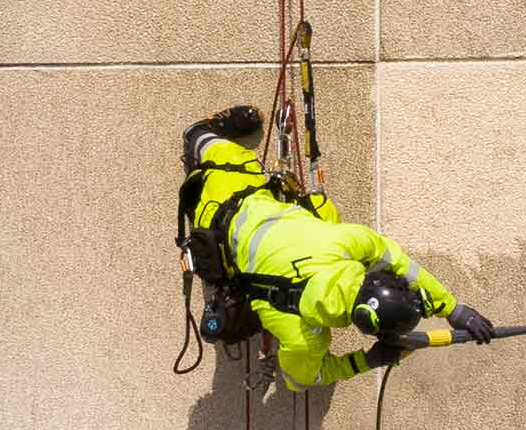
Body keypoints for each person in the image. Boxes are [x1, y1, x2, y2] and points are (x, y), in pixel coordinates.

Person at [178, 105, 493, 389]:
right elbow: (301, 379)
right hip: (217, 226)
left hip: (244, 199)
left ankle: (205, 137)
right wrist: (367, 361)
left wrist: (453, 308)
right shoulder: (302, 336)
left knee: (219, 152)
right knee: (199, 141)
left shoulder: (346, 241)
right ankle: (202, 134)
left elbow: (399, 263)